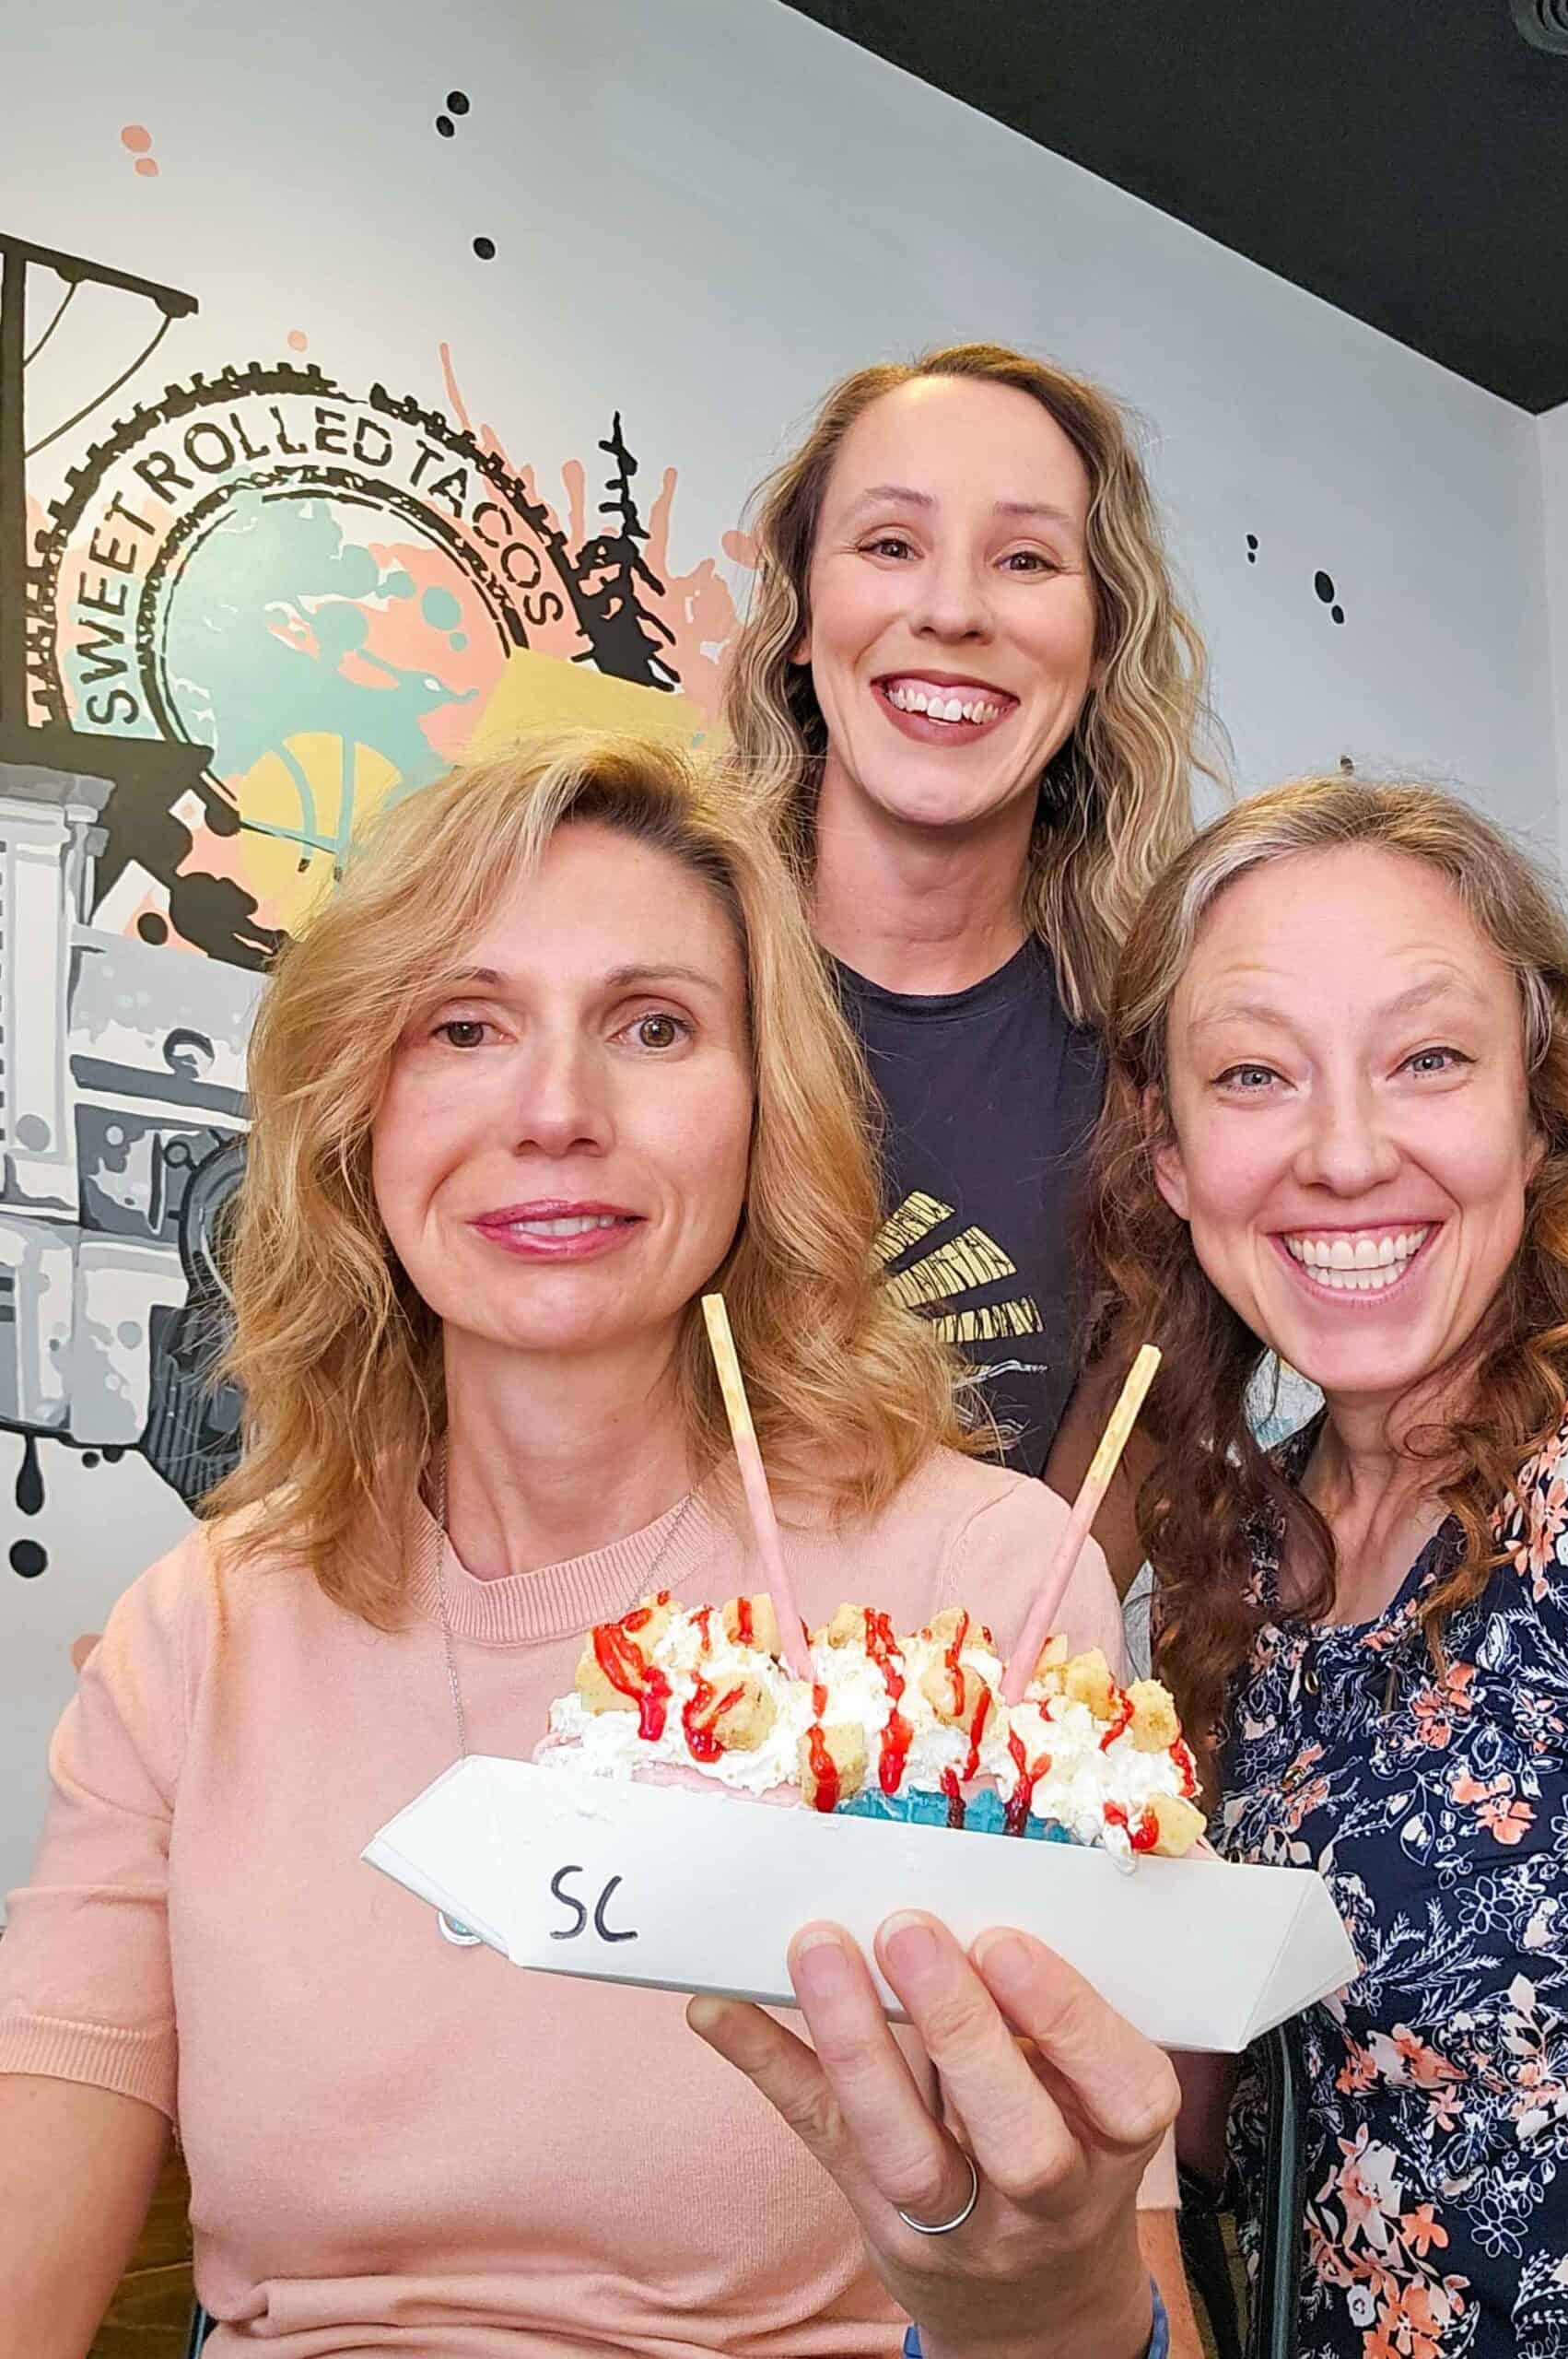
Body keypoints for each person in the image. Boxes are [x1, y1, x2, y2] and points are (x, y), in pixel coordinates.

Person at [0, 731, 1192, 2359]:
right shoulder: (193, 1632)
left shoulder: (981, 1584)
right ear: (357, 1105)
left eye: (653, 1026)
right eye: (467, 1027)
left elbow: (1115, 2299)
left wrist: (1044, 2297)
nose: (557, 1112)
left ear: (765, 1111)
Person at [1090, 774, 1568, 2355]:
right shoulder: (1230, 1578)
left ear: (1540, 1115)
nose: (1343, 1152)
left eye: (1430, 1060)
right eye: (1256, 1074)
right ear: (1171, 1152)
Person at [722, 341, 1215, 1550]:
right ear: (800, 609)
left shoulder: (1160, 1067)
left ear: (1101, 647)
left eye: (1027, 560)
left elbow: (1081, 1532)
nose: (950, 610)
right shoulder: (651, 985)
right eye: (891, 546)